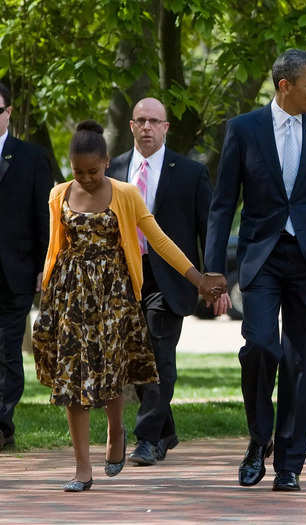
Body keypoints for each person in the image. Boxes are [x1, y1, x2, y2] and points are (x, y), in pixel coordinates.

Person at [32, 121, 225, 492]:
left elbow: (160, 240)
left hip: (114, 298)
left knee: (110, 376)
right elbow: (55, 245)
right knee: (74, 382)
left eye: (93, 170)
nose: (86, 179)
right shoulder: (59, 194)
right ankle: (81, 468)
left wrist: (198, 279)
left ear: (107, 162)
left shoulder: (126, 194)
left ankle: (116, 431)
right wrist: (46, 285)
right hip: (71, 296)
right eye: (78, 171)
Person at [205, 49, 306, 492]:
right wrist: (213, 269)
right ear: (285, 86)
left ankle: (289, 465)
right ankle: (258, 440)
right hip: (262, 258)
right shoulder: (244, 128)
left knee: (301, 363)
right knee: (260, 347)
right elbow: (223, 203)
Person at [106, 98, 211, 466]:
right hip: (124, 276)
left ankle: (147, 438)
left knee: (158, 354)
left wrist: (211, 276)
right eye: (141, 121)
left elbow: (206, 229)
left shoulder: (190, 172)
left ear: (166, 127)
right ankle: (166, 430)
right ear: (131, 126)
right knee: (135, 357)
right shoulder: (113, 169)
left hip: (169, 276)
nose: (147, 127)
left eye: (155, 121)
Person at [0, 82, 53, 450]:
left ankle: (3, 423)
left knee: (7, 350)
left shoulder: (32, 158)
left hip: (14, 271)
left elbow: (43, 217)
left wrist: (43, 266)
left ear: (8, 113)